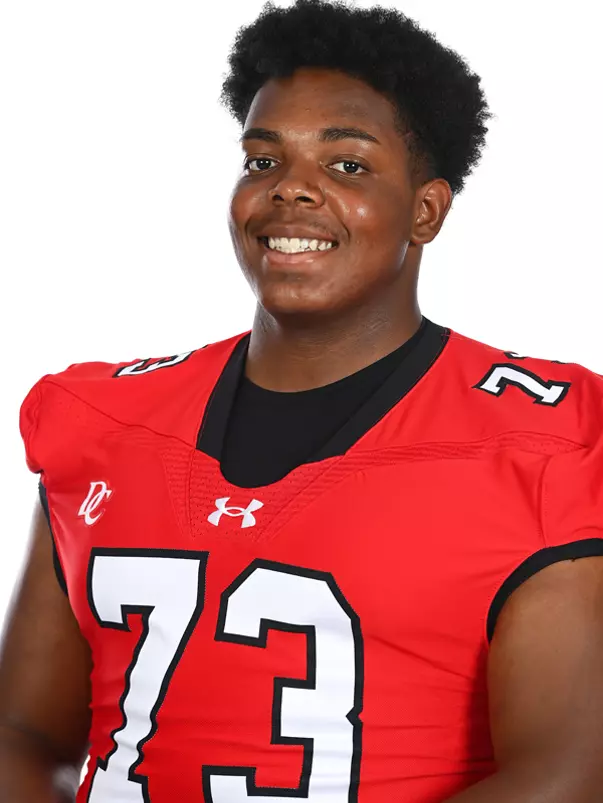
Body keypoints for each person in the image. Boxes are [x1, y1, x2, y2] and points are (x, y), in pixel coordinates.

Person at [2, 0, 603, 800]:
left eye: (345, 165)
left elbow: (568, 772)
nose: (291, 191)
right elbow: (22, 735)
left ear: (425, 209)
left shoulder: (541, 440)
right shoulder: (104, 419)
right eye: (262, 160)